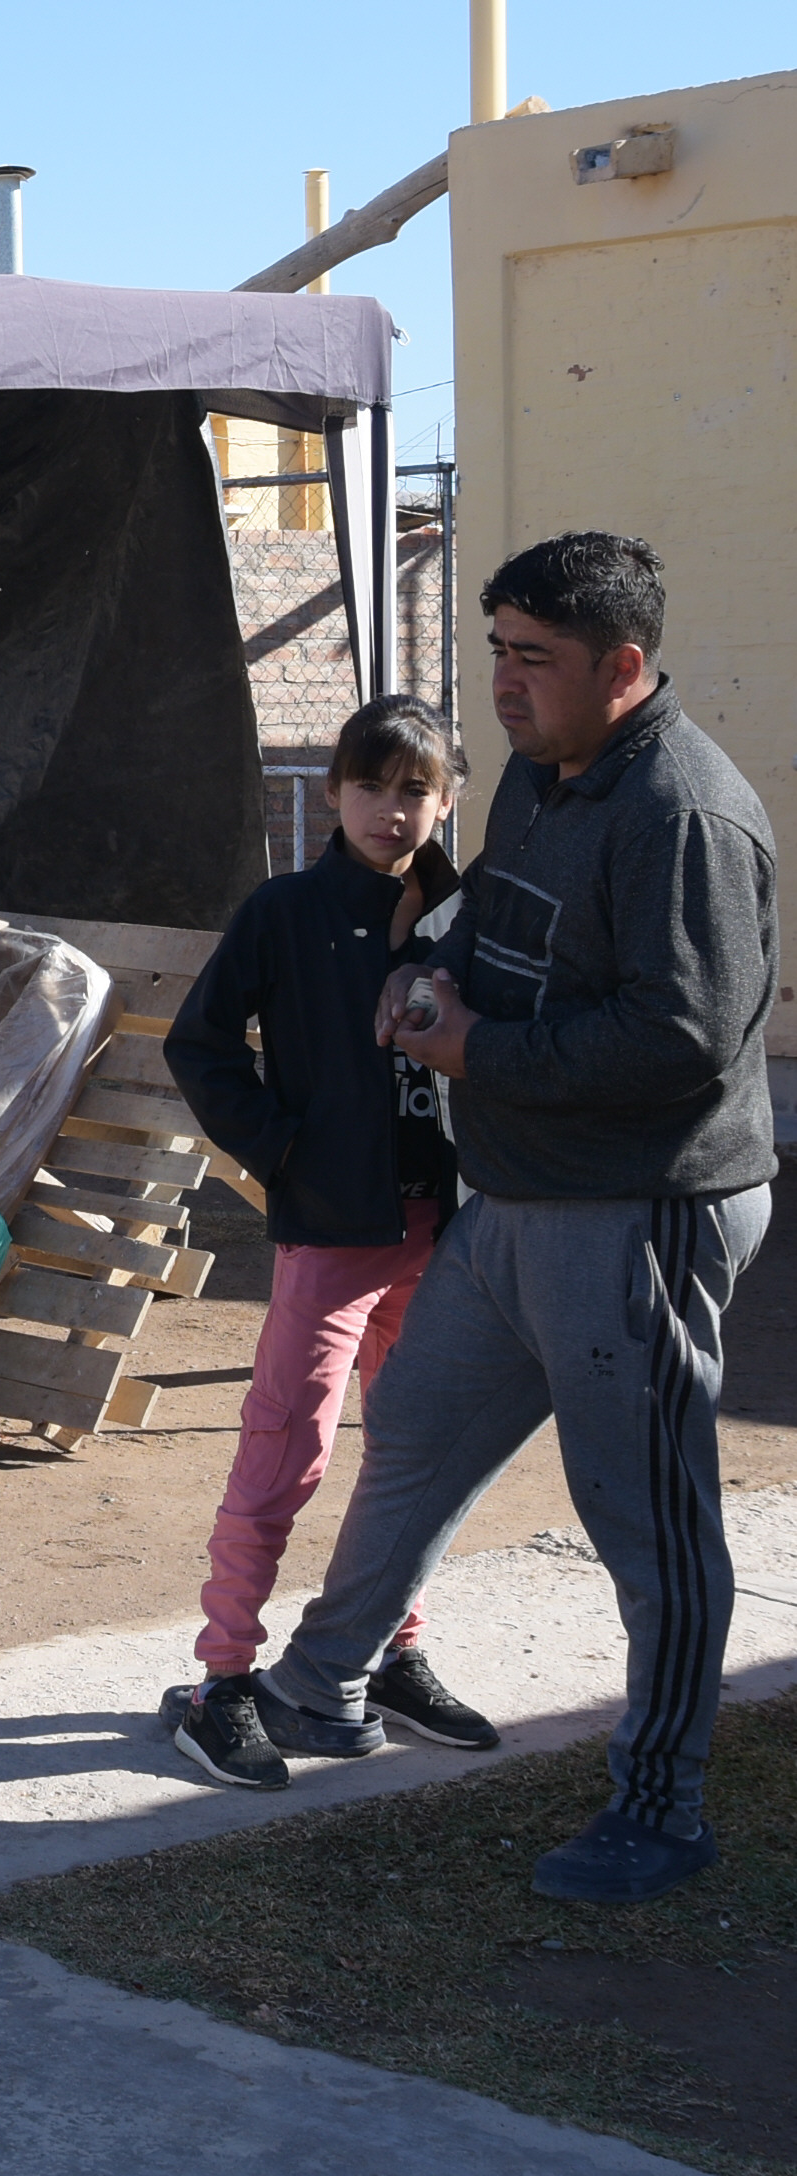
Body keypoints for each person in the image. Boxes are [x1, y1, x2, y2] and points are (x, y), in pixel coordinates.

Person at [263, 532, 777, 1906]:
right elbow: (497, 917)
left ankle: (659, 1807)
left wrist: (474, 1051)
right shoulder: (545, 776)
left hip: (640, 1217)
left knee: (644, 1522)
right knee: (414, 1429)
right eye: (495, 649)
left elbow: (683, 1038)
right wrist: (426, 976)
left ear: (622, 665)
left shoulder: (682, 813)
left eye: (531, 657)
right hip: (517, 1202)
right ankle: (318, 1683)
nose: (500, 680)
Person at [157, 694, 504, 1789]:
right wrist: (285, 1151)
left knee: (413, 1457)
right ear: (332, 792)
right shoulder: (286, 911)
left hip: (445, 1239)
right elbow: (200, 1045)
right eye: (369, 785)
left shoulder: (471, 918)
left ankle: (388, 1652)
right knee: (285, 1451)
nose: (389, 809)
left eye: (414, 790)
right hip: (332, 1235)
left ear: (447, 799)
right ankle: (221, 1680)